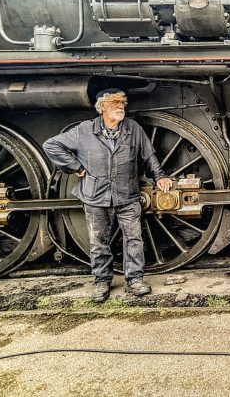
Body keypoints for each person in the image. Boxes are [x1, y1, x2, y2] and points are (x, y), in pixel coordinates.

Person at [43, 88, 172, 303]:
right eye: (115, 102)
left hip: (127, 194)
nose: (121, 106)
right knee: (98, 241)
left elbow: (148, 155)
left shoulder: (133, 128)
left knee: (133, 239)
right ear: (102, 107)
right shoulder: (84, 130)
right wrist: (75, 166)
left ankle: (135, 280)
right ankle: (102, 281)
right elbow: (51, 145)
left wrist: (160, 176)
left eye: (123, 101)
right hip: (95, 196)